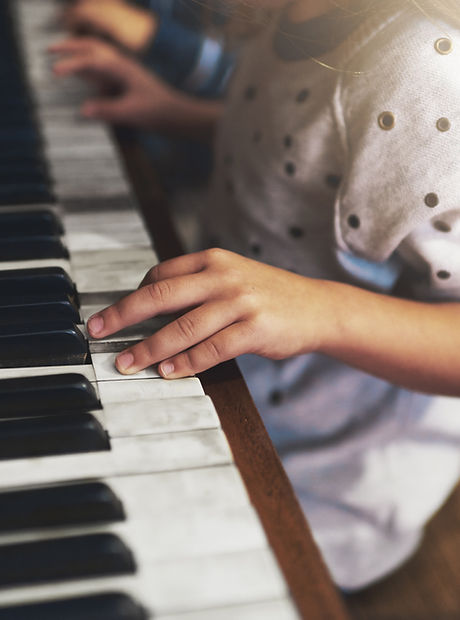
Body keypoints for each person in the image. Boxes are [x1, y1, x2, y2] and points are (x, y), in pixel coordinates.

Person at [57, 0, 460, 590]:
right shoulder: (290, 11)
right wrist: (181, 114)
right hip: (231, 390)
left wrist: (319, 309)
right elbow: (304, 141)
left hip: (324, 477)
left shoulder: (424, 75)